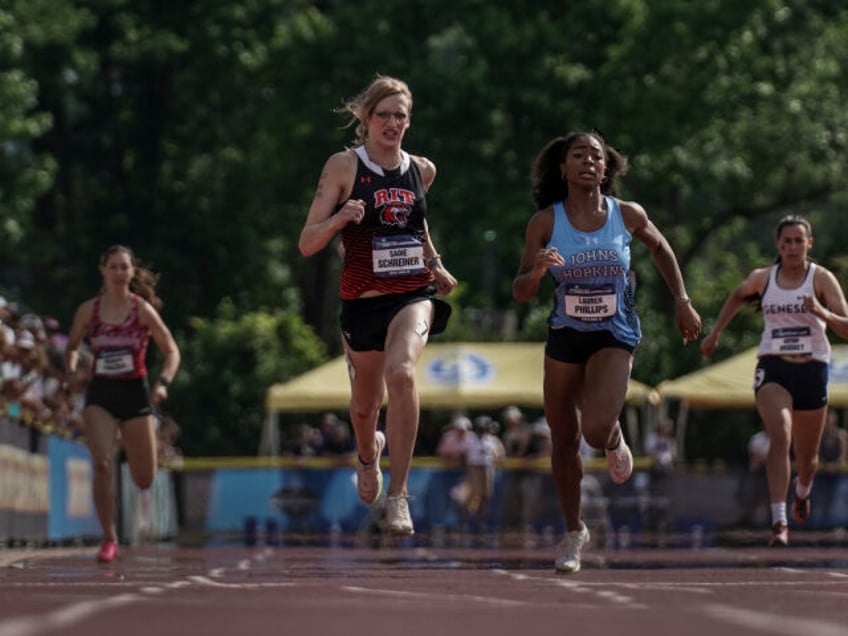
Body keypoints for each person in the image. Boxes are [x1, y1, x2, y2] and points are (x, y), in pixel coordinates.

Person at [512, 130, 701, 574]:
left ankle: (614, 440)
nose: (588, 162)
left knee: (595, 431)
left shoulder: (627, 214)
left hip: (615, 332)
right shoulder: (545, 222)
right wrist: (537, 271)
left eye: (596, 156)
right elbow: (521, 291)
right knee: (563, 439)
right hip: (565, 335)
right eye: (579, 155)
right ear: (564, 166)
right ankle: (574, 531)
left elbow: (662, 247)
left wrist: (682, 301)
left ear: (605, 168)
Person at [297, 75, 456, 536]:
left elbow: (417, 225)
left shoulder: (421, 170)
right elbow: (307, 242)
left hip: (412, 295)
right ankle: (369, 456)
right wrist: (339, 218)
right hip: (362, 303)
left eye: (400, 115)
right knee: (365, 409)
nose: (391, 123)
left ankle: (399, 495)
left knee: (402, 373)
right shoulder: (345, 167)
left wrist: (435, 264)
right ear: (366, 119)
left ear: (409, 121)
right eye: (382, 114)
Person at [701, 214, 848, 547]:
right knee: (780, 436)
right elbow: (738, 295)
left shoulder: (822, 279)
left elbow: (846, 326)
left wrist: (822, 313)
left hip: (812, 369)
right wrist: (714, 334)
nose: (793, 247)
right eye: (787, 241)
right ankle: (779, 520)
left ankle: (802, 491)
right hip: (773, 367)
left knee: (808, 460)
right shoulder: (763, 278)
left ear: (809, 244)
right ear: (777, 245)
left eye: (799, 241)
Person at [64, 245, 181, 562]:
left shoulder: (141, 310)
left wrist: (163, 384)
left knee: (143, 479)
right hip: (100, 394)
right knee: (102, 464)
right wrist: (72, 370)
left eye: (123, 267)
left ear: (132, 272)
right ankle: (109, 538)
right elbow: (72, 347)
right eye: (112, 267)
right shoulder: (88, 311)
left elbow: (171, 350)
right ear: (102, 270)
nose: (118, 273)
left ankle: (138, 447)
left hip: (135, 395)